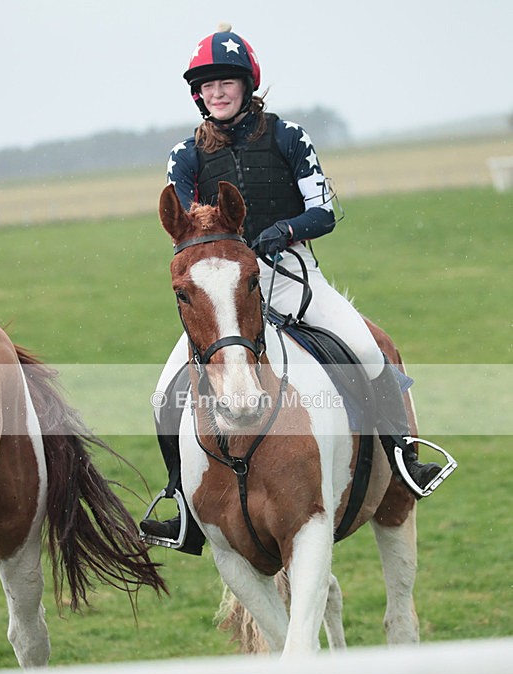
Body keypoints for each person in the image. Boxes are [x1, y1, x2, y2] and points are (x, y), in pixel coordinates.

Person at [140, 24, 454, 555]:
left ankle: (403, 458)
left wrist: (283, 230)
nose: (217, 93)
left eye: (226, 83)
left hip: (291, 276)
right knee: (165, 392)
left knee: (368, 351)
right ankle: (182, 503)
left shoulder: (288, 137)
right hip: (225, 290)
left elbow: (323, 211)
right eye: (207, 86)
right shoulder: (185, 156)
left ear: (247, 85)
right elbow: (187, 226)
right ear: (198, 95)